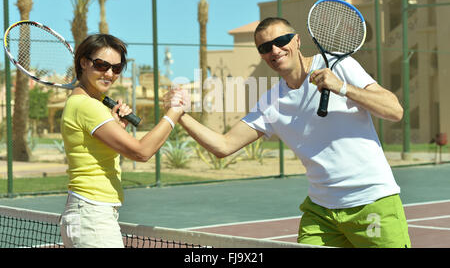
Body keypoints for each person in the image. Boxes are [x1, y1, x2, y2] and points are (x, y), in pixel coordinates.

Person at [164, 17, 411, 248]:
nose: (274, 50)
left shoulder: (339, 65)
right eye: (264, 48)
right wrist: (180, 115)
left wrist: (342, 87)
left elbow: (394, 110)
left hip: (372, 203)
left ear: (297, 40)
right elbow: (224, 145)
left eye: (281, 41)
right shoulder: (271, 103)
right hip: (321, 213)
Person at [59, 34, 187, 248]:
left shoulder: (86, 105)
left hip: (90, 213)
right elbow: (141, 152)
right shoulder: (87, 106)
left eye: (116, 69)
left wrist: (116, 127)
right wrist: (174, 113)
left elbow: (97, 154)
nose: (109, 74)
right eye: (101, 65)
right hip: (92, 216)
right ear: (83, 62)